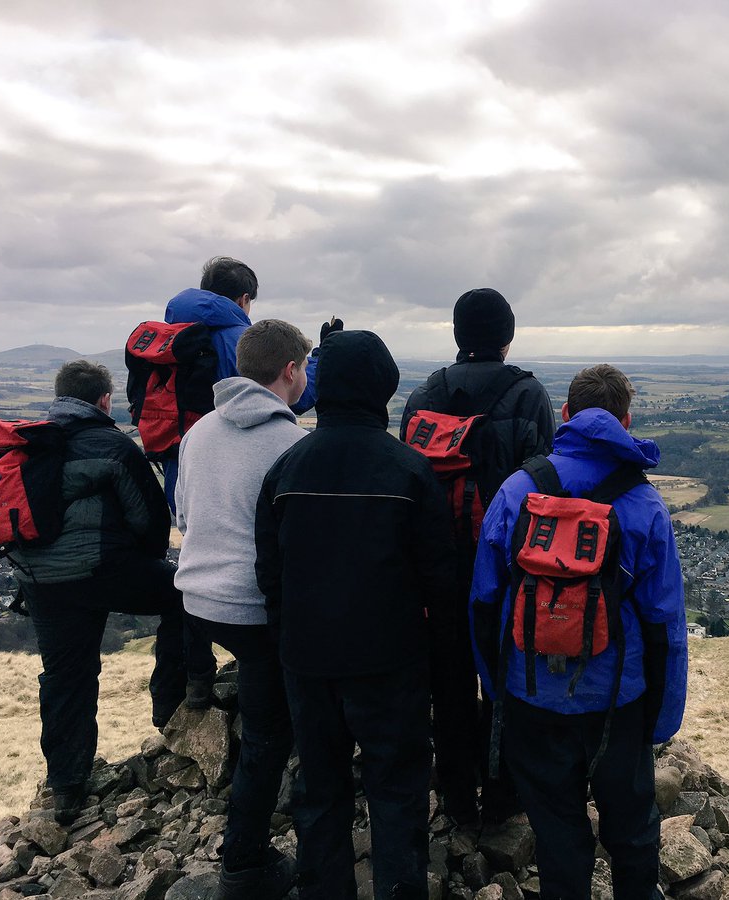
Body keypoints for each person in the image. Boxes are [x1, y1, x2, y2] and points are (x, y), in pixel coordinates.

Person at [469, 364, 688, 900]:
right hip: (620, 702)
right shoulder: (644, 504)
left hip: (531, 696)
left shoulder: (517, 490)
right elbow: (666, 626)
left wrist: (498, 690)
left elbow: (483, 601)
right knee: (633, 829)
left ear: (564, 415)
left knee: (557, 829)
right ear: (627, 420)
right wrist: (660, 720)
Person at [255, 330, 457, 900]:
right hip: (391, 663)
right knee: (396, 789)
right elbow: (440, 584)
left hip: (307, 661)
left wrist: (287, 641)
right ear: (385, 389)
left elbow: (270, 575)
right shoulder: (411, 473)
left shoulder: (286, 470)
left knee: (319, 791)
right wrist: (440, 666)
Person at [400, 286, 555, 826]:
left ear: (457, 335)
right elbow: (544, 488)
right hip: (505, 569)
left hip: (435, 567)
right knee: (505, 679)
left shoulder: (423, 398)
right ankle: (504, 795)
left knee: (449, 681)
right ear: (507, 338)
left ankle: (458, 796)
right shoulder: (529, 396)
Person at [12, 360, 190, 825]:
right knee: (184, 597)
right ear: (105, 400)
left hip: (41, 583)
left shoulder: (26, 444)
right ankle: (170, 705)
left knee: (66, 676)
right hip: (103, 570)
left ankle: (67, 789)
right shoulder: (112, 445)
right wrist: (140, 560)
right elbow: (152, 523)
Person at [173, 320, 312, 899]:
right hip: (251, 607)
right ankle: (245, 863)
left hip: (196, 600)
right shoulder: (289, 443)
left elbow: (182, 515)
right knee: (266, 733)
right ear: (289, 371)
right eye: (304, 367)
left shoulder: (199, 431)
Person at [160, 256, 337, 510]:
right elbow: (287, 394)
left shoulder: (175, 336)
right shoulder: (241, 341)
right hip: (235, 471)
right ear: (244, 299)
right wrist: (322, 356)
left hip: (184, 462)